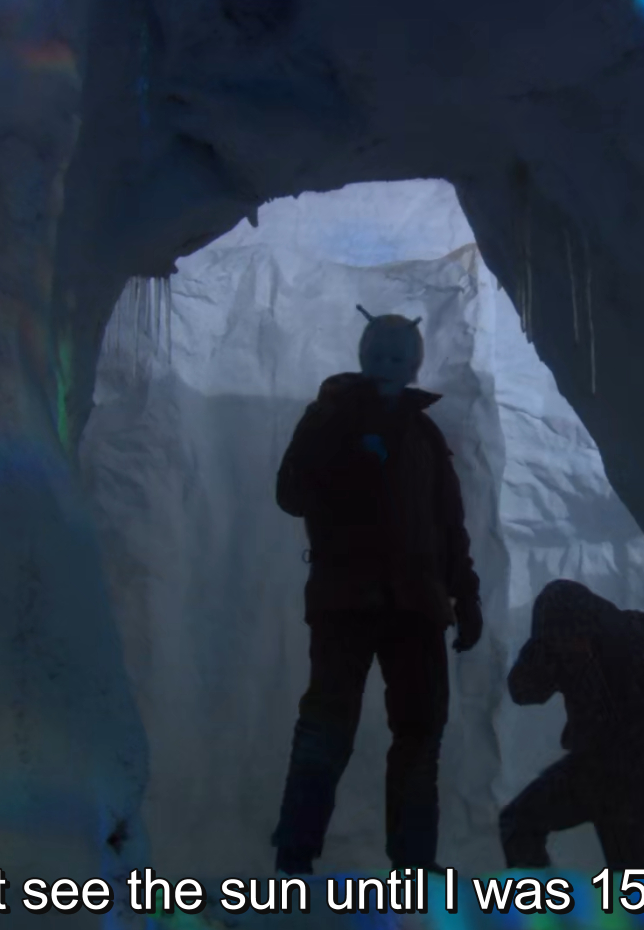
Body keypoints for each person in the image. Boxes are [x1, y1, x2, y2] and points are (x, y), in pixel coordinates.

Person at [270, 306, 484, 875]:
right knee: (327, 725)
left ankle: (413, 868)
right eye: (380, 354)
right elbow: (291, 493)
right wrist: (342, 454)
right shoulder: (331, 415)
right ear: (364, 358)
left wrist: (465, 594)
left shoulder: (424, 435)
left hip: (416, 606)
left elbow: (448, 524)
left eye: (399, 356)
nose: (389, 364)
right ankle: (295, 860)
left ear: (414, 366)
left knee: (420, 733)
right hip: (347, 599)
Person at [499, 579, 644, 870]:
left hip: (622, 778)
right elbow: (523, 691)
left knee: (627, 884)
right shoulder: (578, 644)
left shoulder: (620, 643)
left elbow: (524, 689)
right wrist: (543, 649)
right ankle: (542, 897)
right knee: (518, 823)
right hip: (609, 775)